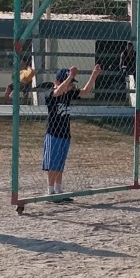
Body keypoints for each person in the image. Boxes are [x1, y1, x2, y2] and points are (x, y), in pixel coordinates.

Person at [43, 64, 102, 197]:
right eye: (69, 83)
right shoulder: (51, 93)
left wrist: (94, 75)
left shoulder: (68, 94)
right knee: (52, 164)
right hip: (53, 134)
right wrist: (70, 76)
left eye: (71, 84)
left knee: (60, 163)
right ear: (57, 82)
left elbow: (85, 91)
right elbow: (58, 91)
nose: (71, 86)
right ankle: (50, 191)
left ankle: (58, 190)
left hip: (65, 134)